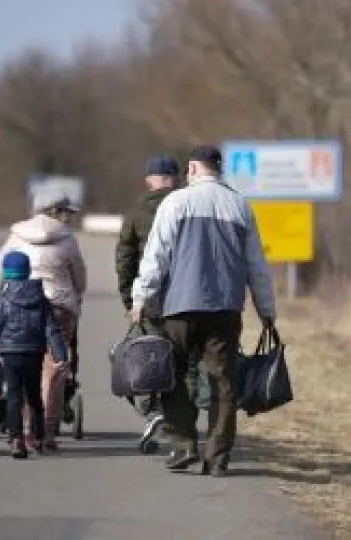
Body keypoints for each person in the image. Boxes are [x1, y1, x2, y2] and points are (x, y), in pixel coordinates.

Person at [131, 145, 276, 477]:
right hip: (225, 309)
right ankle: (217, 457)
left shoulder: (176, 202)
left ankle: (184, 444)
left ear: (194, 169)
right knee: (223, 381)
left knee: (174, 374)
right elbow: (256, 266)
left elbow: (156, 255)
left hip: (180, 307)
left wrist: (141, 298)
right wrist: (266, 308)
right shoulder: (240, 206)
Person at [0, 188, 87, 451]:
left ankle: (25, 426)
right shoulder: (67, 238)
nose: (69, 218)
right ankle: (47, 427)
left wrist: (4, 295)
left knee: (25, 362)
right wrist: (76, 297)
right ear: (54, 212)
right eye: (66, 212)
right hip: (59, 306)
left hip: (20, 305)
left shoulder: (17, 236)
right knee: (54, 367)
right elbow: (79, 275)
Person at [115, 154, 183, 454]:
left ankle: (152, 410)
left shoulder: (136, 212)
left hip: (149, 300)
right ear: (176, 179)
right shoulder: (187, 207)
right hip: (185, 299)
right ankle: (178, 422)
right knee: (181, 362)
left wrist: (130, 299)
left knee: (144, 357)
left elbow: (124, 258)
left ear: (148, 181)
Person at [0, 251, 69, 459]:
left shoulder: (2, 301)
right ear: (28, 271)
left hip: (10, 354)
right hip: (34, 352)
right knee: (34, 395)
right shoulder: (40, 300)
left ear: (6, 273)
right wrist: (61, 355)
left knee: (13, 395)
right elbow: (51, 329)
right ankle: (37, 436)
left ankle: (16, 440)